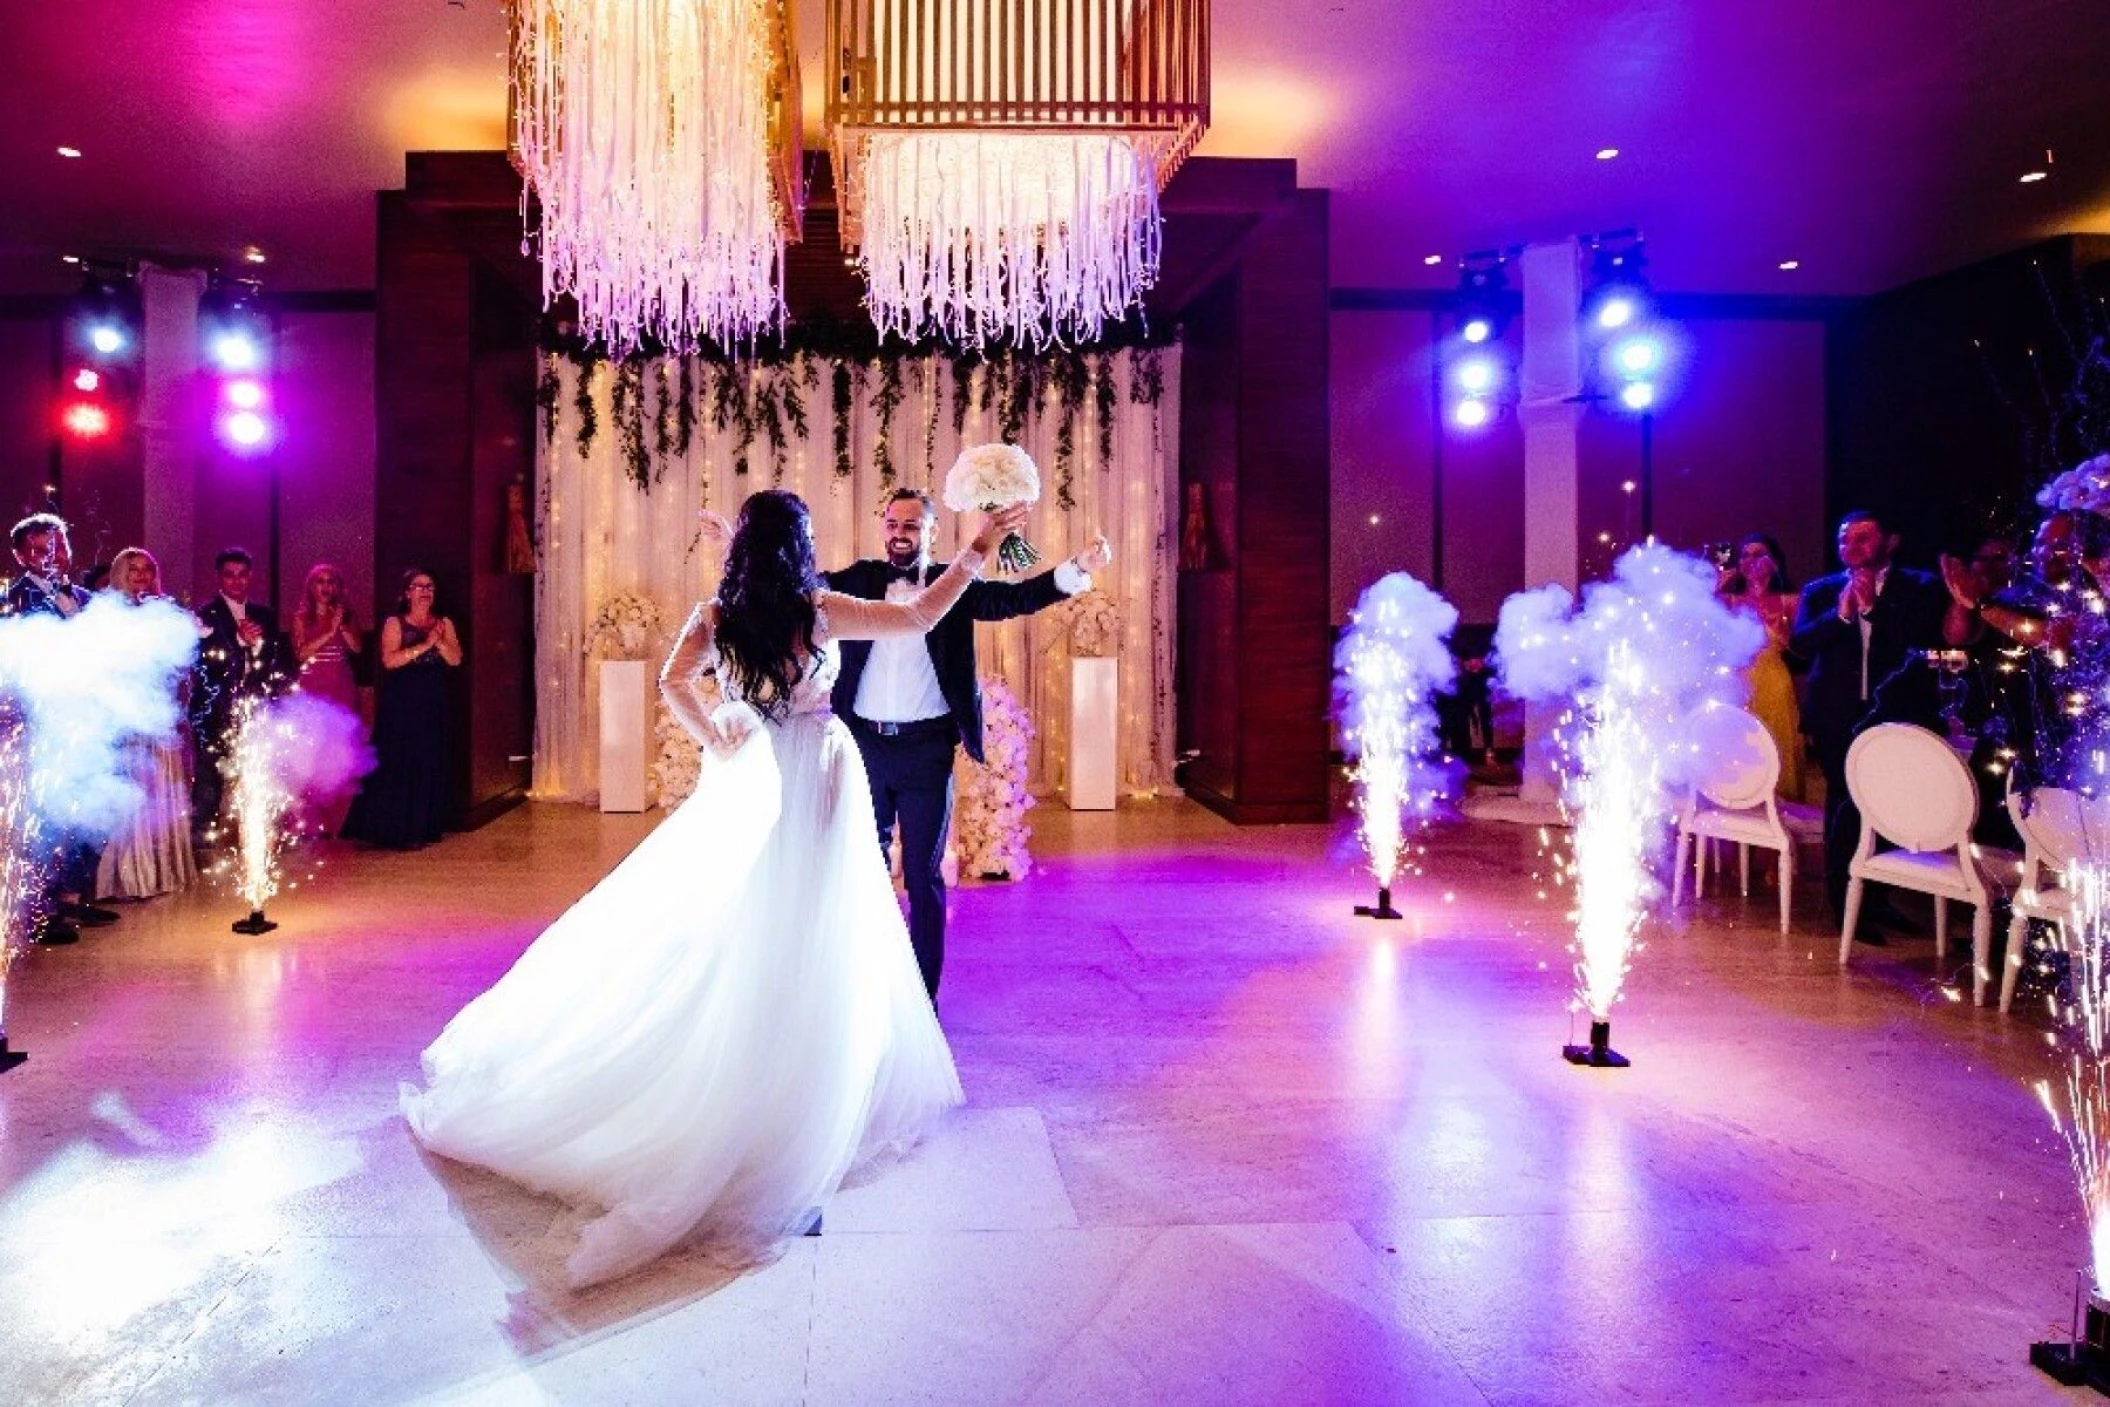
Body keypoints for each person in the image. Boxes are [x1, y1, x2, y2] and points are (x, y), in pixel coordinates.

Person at [402, 491, 1028, 1287]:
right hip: (821, 773)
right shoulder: (820, 607)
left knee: (749, 924)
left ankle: (765, 1095)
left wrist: (718, 735)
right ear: (798, 546)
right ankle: (792, 1129)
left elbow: (672, 681)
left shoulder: (719, 614)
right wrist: (974, 549)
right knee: (812, 933)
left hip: (755, 773)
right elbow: (916, 619)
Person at [823, 487, 1111, 999]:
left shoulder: (950, 586)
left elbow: (1014, 598)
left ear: (933, 532)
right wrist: (740, 545)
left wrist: (1078, 568)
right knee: (862, 872)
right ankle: (864, 995)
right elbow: (799, 588)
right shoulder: (861, 579)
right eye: (892, 523)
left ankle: (922, 1000)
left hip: (926, 751)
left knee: (923, 878)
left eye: (911, 525)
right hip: (863, 745)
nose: (899, 533)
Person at [1790, 511, 1949, 925]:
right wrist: (1842, 615)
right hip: (1835, 713)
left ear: (1890, 542)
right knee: (1843, 802)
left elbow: (1921, 644)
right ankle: (1844, 903)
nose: (1852, 548)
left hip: (1896, 711)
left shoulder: (1921, 586)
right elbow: (1801, 645)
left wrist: (1874, 610)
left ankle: (1878, 897)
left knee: (1888, 805)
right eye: (1845, 540)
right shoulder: (1821, 590)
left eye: (1863, 538)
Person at [3, 514, 113, 943]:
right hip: (43, 721)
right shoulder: (15, 599)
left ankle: (71, 898)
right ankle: (40, 911)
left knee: (84, 812)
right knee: (46, 816)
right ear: (20, 555)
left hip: (87, 718)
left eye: (56, 546)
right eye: (38, 549)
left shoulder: (85, 596)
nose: (50, 556)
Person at [94, 548, 197, 900]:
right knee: (136, 794)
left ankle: (162, 873)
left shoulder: (163, 612)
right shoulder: (108, 615)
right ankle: (133, 877)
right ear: (120, 573)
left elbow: (180, 666)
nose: (140, 575)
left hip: (162, 713)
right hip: (129, 715)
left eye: (147, 570)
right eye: (132, 569)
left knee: (163, 792)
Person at [343, 569, 460, 849]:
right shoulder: (394, 622)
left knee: (428, 758)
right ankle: (395, 829)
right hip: (402, 700)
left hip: (432, 697)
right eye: (418, 586)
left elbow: (455, 659)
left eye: (429, 586)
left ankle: (423, 826)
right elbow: (390, 660)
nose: (425, 591)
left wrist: (440, 641)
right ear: (407, 592)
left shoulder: (443, 623)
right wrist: (425, 644)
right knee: (400, 759)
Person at [191, 547, 292, 845]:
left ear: (250, 577)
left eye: (242, 575)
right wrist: (237, 640)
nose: (236, 581)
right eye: (229, 575)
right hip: (215, 708)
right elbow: (204, 658)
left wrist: (260, 647)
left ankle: (255, 837)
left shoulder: (265, 614)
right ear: (219, 578)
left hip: (256, 704)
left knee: (257, 770)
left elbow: (277, 657)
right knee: (211, 775)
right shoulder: (205, 614)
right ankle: (202, 841)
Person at [1717, 534, 1805, 801]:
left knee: (1774, 745)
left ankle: (1780, 818)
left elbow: (1800, 646)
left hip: (1773, 680)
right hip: (1736, 682)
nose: (1750, 560)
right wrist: (1717, 589)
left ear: (1774, 560)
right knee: (1737, 749)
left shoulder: (1791, 599)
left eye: (1758, 554)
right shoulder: (1730, 600)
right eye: (1745, 555)